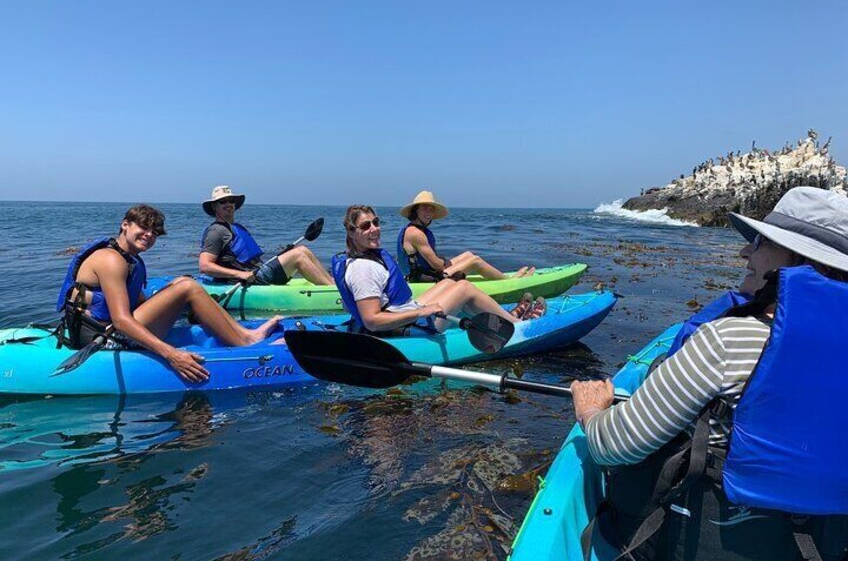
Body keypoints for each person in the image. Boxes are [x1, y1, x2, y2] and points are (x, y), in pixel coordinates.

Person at [572, 187, 848, 560]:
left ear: (803, 265)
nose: (745, 251)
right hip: (818, 546)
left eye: (761, 241)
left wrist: (592, 411)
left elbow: (615, 446)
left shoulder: (730, 340)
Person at [57, 205, 281, 383]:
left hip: (108, 329)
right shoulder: (111, 259)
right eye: (143, 228)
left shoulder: (128, 258)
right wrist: (172, 355)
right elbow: (121, 320)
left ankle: (243, 333)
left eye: (154, 233)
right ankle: (246, 345)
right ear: (125, 224)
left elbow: (139, 302)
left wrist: (171, 293)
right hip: (102, 338)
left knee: (183, 283)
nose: (149, 235)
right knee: (188, 288)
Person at [332, 205, 546, 335]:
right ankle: (517, 326)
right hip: (410, 327)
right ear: (351, 233)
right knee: (464, 288)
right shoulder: (363, 269)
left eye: (375, 222)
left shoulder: (364, 258)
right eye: (365, 226)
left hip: (404, 313)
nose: (374, 229)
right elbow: (371, 321)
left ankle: (502, 317)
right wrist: (420, 312)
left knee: (450, 283)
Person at [199, 185, 333, 286]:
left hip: (258, 271)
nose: (228, 204)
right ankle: (333, 294)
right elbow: (204, 266)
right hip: (249, 279)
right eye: (223, 201)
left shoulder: (235, 228)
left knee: (303, 249)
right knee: (298, 255)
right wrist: (241, 274)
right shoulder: (216, 231)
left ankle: (332, 285)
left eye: (231, 201)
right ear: (214, 207)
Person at [396, 190, 535, 282]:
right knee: (475, 261)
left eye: (431, 208)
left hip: (427, 272)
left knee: (468, 254)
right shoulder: (415, 233)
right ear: (416, 210)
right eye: (425, 207)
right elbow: (437, 266)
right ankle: (509, 282)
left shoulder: (414, 230)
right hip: (420, 279)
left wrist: (444, 261)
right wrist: (443, 261)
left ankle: (501, 276)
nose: (429, 211)